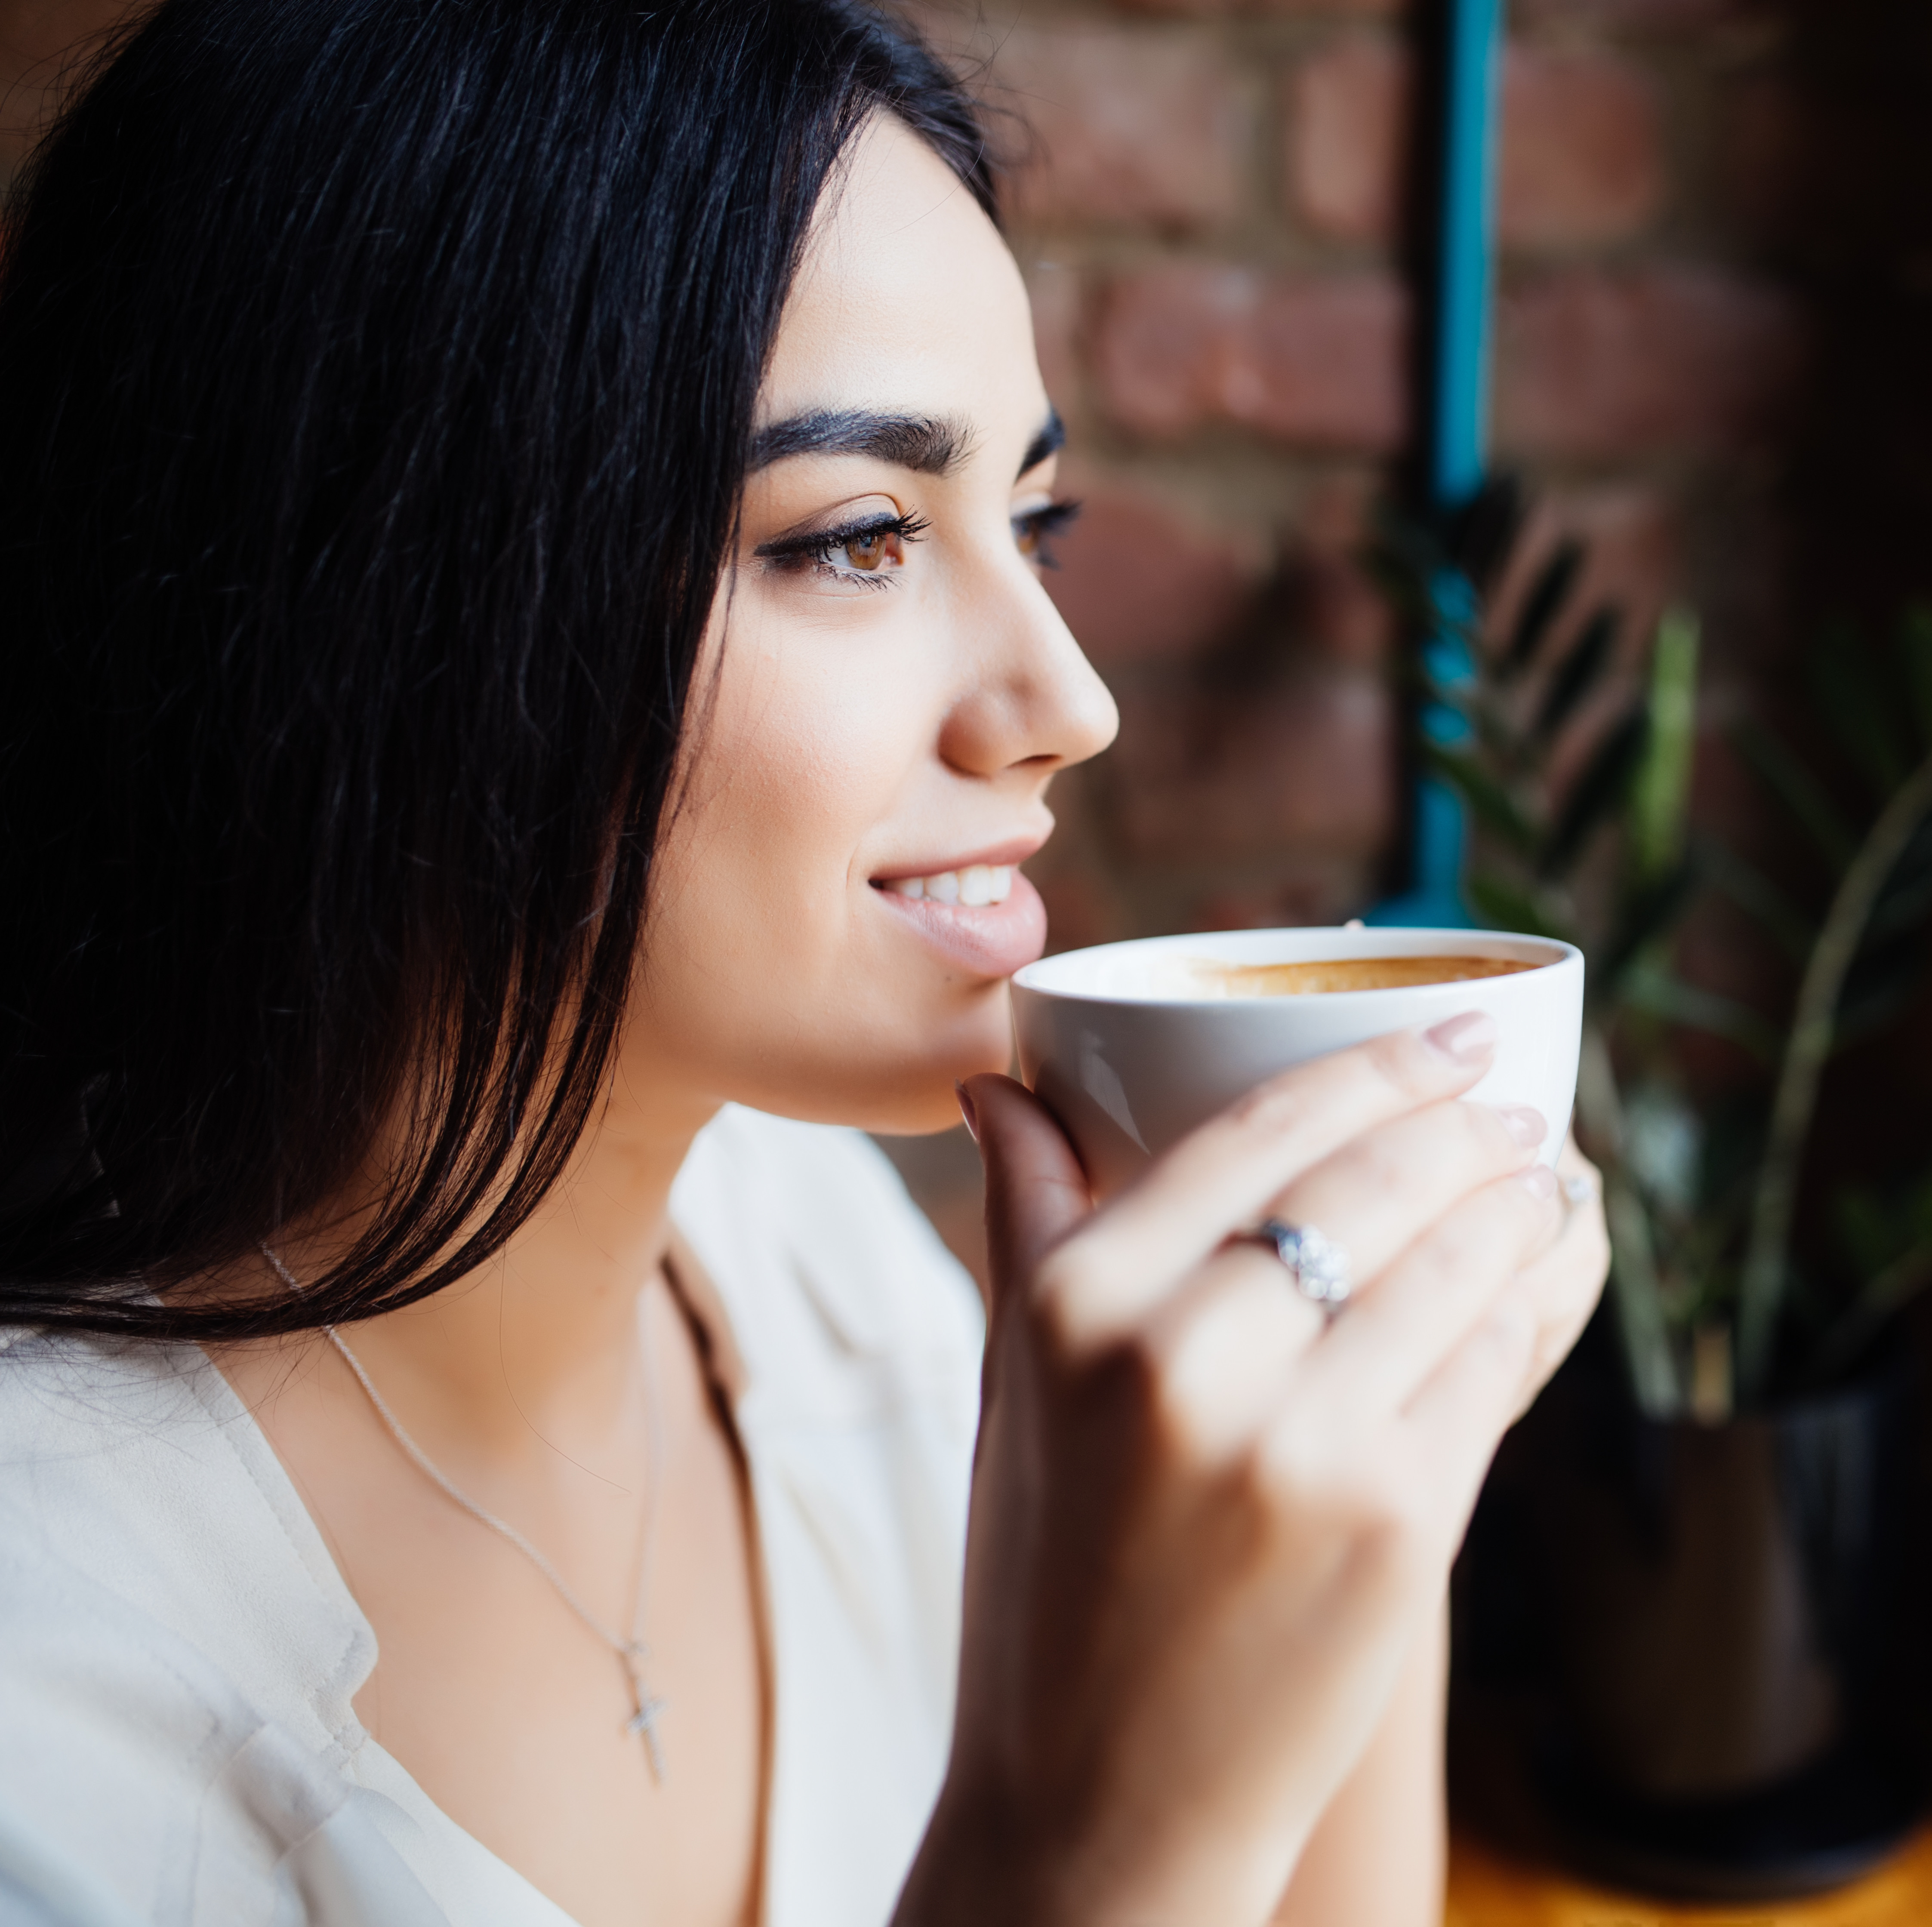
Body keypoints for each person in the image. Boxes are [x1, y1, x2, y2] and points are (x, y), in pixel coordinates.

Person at [0, 2, 1609, 1922]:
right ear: (369, 608)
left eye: (1038, 520)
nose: (1067, 704)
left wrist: (1359, 1489)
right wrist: (1075, 1850)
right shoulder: (57, 1703)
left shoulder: (819, 1276)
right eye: (859, 536)